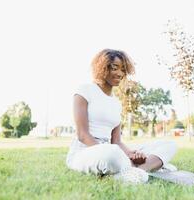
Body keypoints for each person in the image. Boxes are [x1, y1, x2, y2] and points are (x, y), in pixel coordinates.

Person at [66, 49, 177, 184]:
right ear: (102, 68)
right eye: (115, 68)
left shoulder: (116, 103)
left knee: (169, 145)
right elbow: (82, 135)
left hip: (113, 149)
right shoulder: (85, 90)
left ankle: (138, 170)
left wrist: (131, 154)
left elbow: (117, 141)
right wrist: (114, 152)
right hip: (86, 152)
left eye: (123, 69)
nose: (120, 73)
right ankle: (150, 167)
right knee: (112, 153)